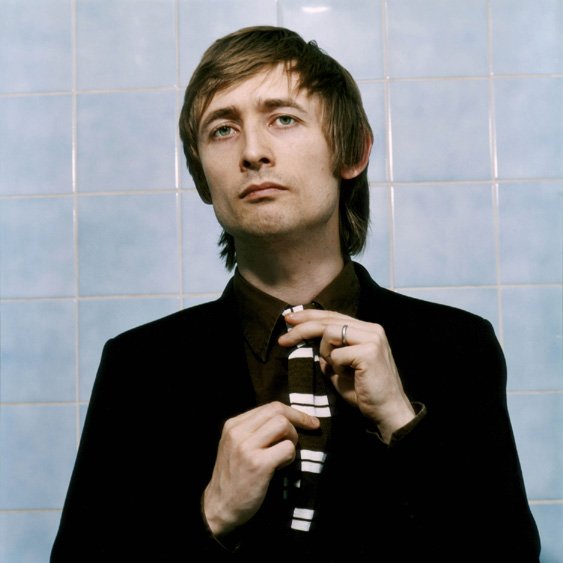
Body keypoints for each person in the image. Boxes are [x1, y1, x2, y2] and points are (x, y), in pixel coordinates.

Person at [51, 26, 540, 562]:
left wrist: (402, 424)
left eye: (283, 119)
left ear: (353, 152)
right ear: (202, 179)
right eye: (222, 130)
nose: (252, 152)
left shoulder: (457, 347)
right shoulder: (140, 367)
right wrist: (212, 515)